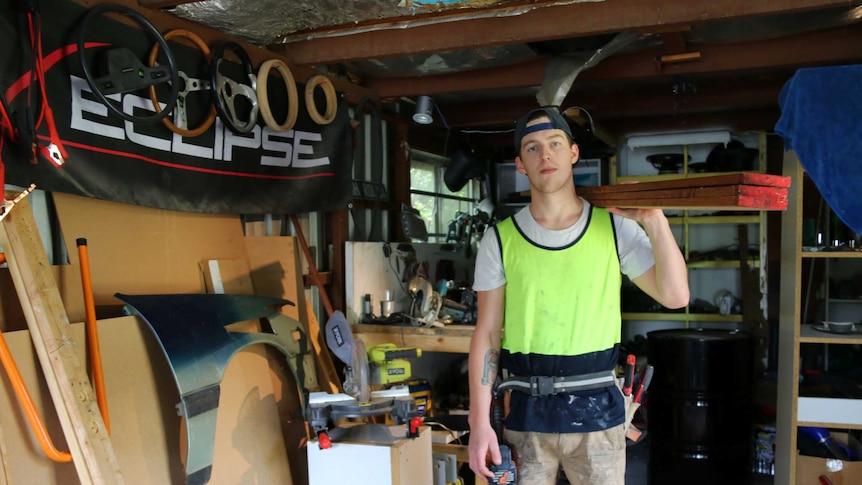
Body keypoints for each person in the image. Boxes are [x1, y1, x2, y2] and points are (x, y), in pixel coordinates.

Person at [467, 107, 689, 484]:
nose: (545, 155)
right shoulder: (500, 240)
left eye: (555, 144)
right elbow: (486, 334)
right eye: (532, 148)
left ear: (573, 153)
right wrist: (479, 422)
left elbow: (675, 295)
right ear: (520, 164)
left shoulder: (613, 226)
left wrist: (654, 219)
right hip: (526, 418)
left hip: (599, 418)